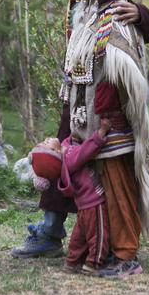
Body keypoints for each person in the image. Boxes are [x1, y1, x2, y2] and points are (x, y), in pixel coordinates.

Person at [11, 0, 149, 277]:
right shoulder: (84, 11)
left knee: (113, 185)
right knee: (89, 184)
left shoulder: (114, 9)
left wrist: (141, 14)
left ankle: (121, 254)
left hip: (106, 117)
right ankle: (86, 243)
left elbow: (128, 50)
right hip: (83, 110)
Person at [59, 117, 113, 276]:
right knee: (99, 235)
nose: (47, 139)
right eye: (46, 144)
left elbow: (72, 141)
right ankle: (93, 264)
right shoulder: (68, 157)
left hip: (83, 205)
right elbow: (86, 151)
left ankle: (72, 262)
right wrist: (102, 131)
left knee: (79, 236)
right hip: (94, 202)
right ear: (53, 153)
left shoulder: (66, 147)